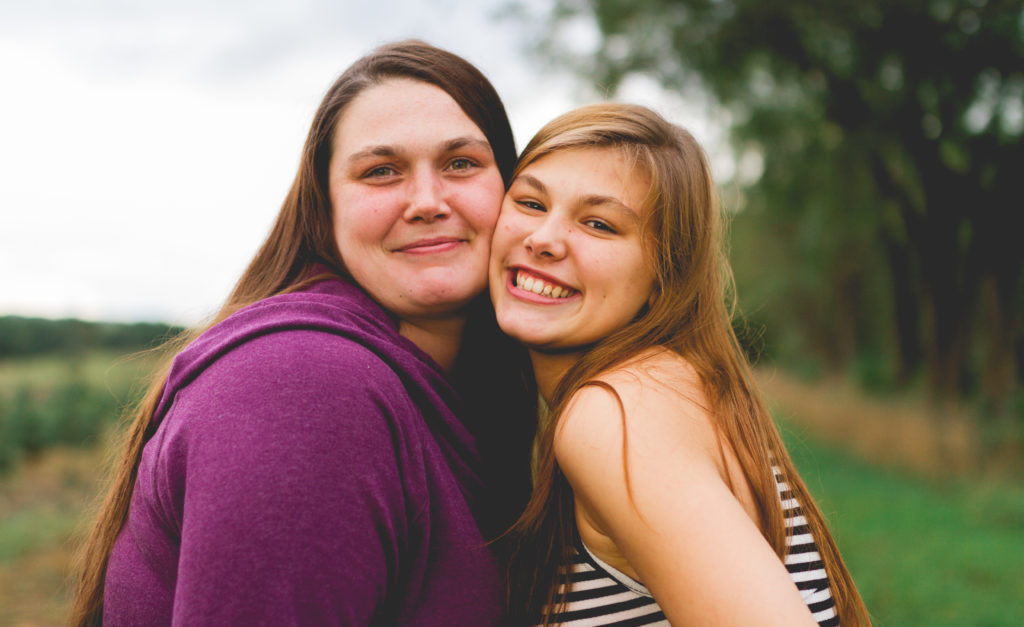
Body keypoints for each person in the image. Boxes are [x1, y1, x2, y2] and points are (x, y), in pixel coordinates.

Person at [70, 40, 536, 626]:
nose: (426, 200)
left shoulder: (471, 394)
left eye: (460, 163)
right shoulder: (302, 388)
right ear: (326, 210)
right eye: (381, 171)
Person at [490, 104, 871, 626]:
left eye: (599, 224)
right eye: (531, 202)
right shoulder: (668, 386)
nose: (543, 239)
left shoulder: (617, 412)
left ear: (665, 278)